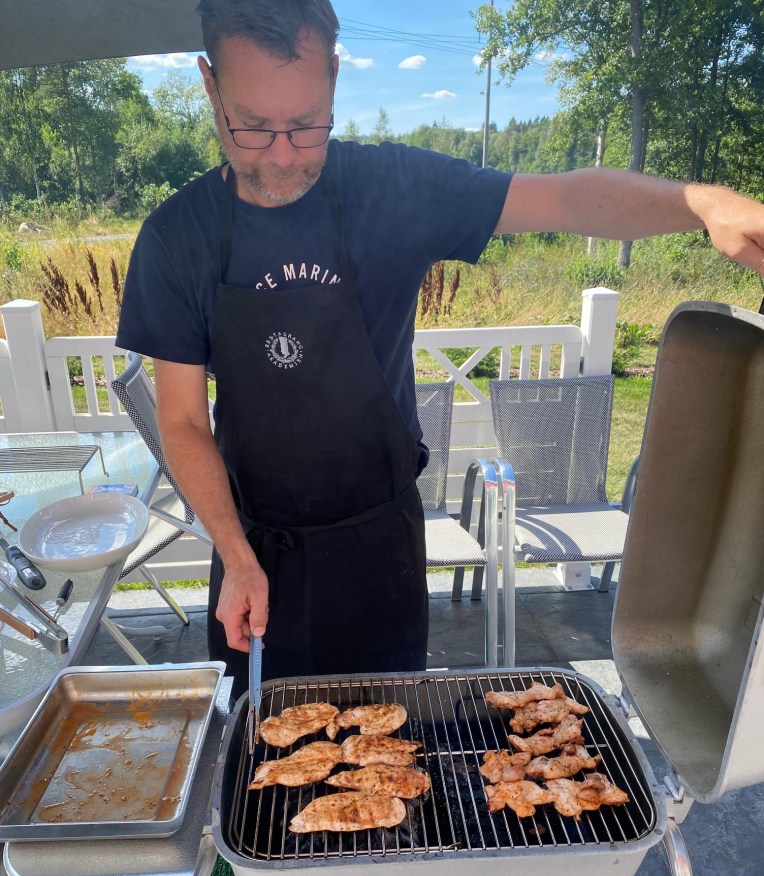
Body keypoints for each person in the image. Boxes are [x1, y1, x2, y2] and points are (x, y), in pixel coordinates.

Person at [116, 0, 764, 699]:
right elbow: (182, 420)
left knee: (394, 742)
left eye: (305, 126)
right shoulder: (175, 238)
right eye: (251, 127)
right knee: (263, 751)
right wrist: (234, 552)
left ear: (333, 78)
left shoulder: (395, 189)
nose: (279, 154)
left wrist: (700, 203)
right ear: (210, 85)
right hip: (254, 554)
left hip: (381, 551)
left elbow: (567, 200)